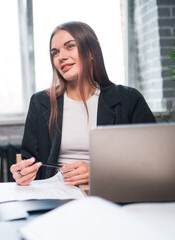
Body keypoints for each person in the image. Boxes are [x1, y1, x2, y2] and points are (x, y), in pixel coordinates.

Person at [10, 21, 156, 186]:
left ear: (93, 51)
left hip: (109, 193)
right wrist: (23, 173)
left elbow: (151, 161)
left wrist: (97, 172)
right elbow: (30, 162)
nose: (61, 57)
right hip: (55, 195)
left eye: (70, 46)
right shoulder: (40, 102)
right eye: (55, 53)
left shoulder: (128, 99)